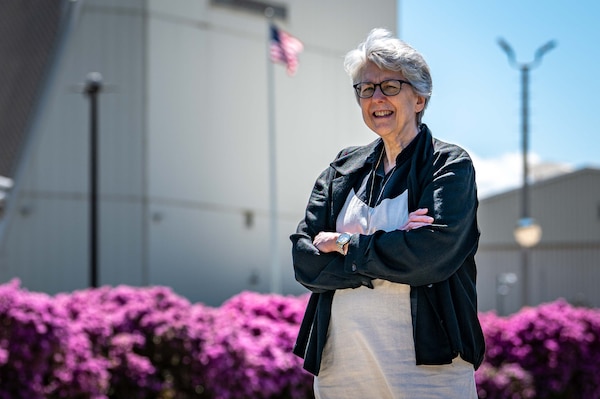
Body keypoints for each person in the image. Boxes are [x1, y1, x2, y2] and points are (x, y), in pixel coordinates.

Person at [290, 28, 485, 398]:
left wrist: (345, 244)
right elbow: (305, 261)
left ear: (420, 98)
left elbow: (431, 256)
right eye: (366, 88)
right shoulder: (342, 169)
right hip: (341, 367)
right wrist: (397, 247)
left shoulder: (448, 165)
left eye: (390, 86)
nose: (376, 97)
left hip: (429, 372)